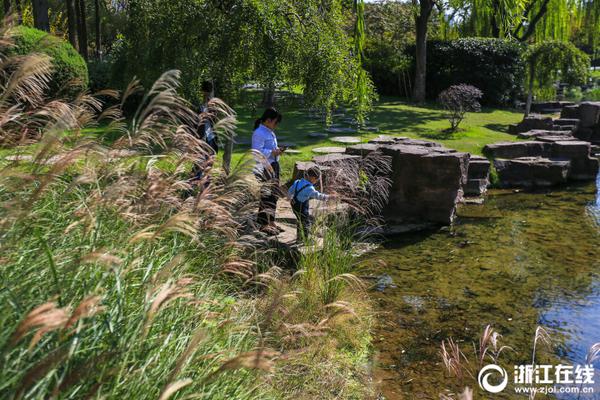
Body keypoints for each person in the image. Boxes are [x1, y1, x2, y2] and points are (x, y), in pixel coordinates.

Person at [252, 107, 284, 235]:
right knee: (266, 195)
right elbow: (256, 153)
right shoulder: (259, 132)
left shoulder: (269, 131)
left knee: (274, 194)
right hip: (265, 167)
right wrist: (272, 152)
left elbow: (271, 149)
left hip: (274, 165)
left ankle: (271, 221)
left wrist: (277, 151)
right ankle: (264, 224)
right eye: (275, 122)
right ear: (269, 120)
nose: (276, 125)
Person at [288, 166, 334, 241]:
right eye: (316, 179)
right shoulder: (309, 188)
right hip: (301, 208)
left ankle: (299, 237)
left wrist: (290, 199)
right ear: (312, 178)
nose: (316, 181)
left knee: (300, 221)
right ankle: (305, 239)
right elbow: (318, 196)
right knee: (306, 223)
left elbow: (290, 191)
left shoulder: (297, 182)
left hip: (294, 205)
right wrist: (329, 197)